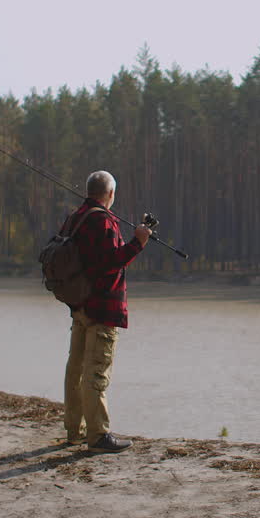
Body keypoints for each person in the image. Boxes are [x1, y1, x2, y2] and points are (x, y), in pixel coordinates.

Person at [62, 170, 151, 453]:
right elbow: (110, 264)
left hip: (80, 306)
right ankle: (98, 436)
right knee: (96, 373)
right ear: (110, 194)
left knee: (75, 369)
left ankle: (75, 431)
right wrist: (138, 243)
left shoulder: (74, 219)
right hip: (102, 308)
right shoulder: (104, 222)